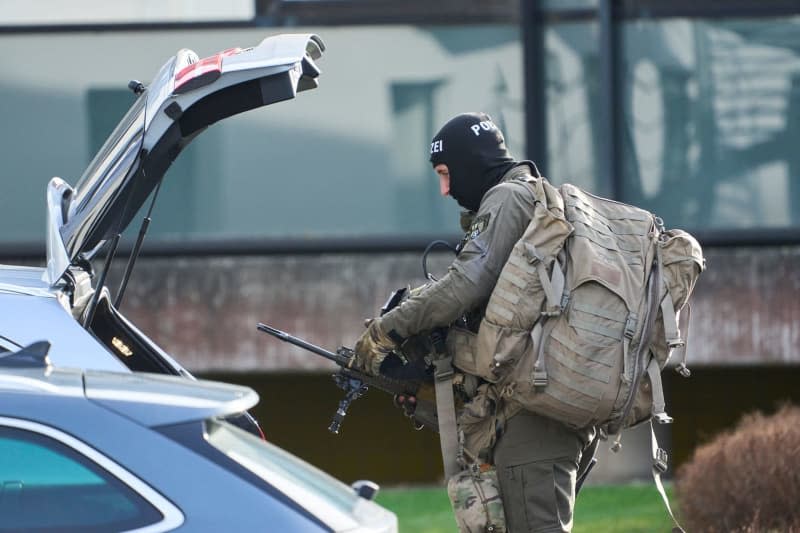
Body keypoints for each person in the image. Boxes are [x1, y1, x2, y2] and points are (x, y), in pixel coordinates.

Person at [353, 112, 596, 533]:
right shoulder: (528, 200)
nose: (446, 191)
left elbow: (465, 282)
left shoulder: (509, 198)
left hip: (534, 424)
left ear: (470, 162)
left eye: (447, 174)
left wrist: (386, 329)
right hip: (524, 414)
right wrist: (432, 399)